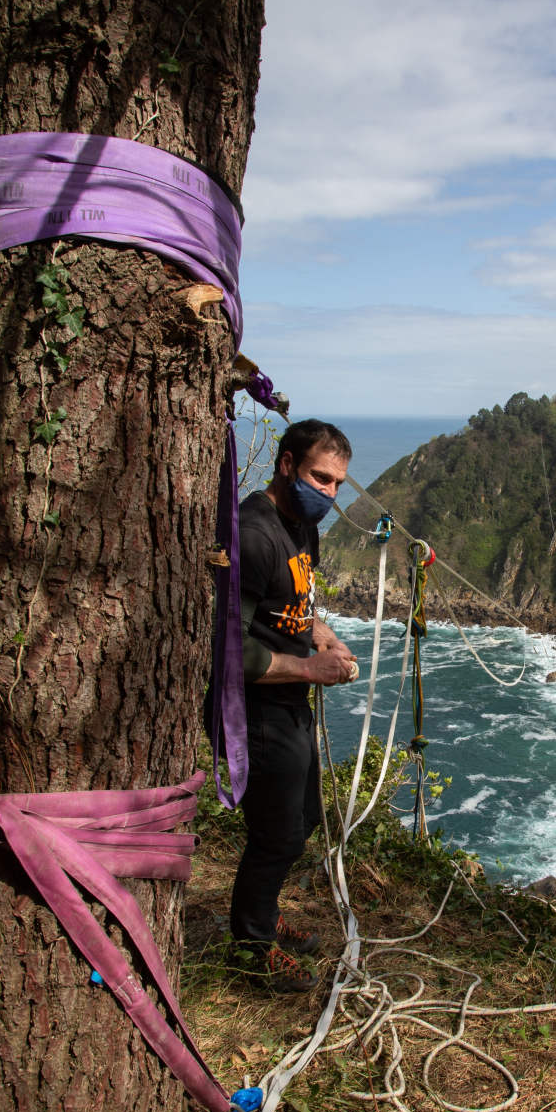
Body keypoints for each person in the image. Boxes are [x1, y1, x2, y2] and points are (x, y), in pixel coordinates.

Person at [227, 418, 357, 992]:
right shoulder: (253, 534)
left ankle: (262, 916)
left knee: (302, 819)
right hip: (258, 709)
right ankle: (250, 948)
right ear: (285, 465)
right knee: (276, 833)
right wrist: (309, 667)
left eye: (336, 484)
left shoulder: (303, 526)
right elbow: (227, 646)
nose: (327, 492)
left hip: (291, 700)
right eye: (318, 477)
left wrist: (323, 635)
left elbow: (293, 601)